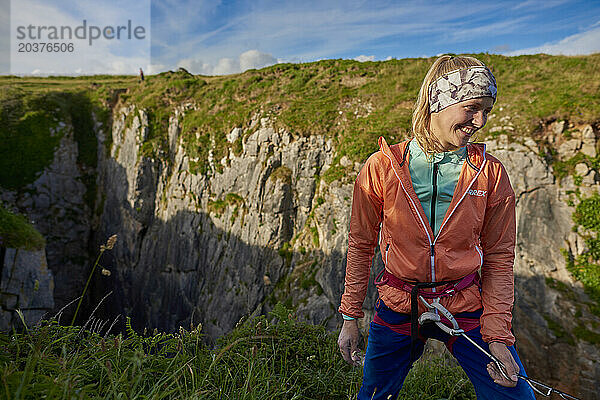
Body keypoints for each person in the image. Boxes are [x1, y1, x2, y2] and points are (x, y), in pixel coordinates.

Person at [337, 55, 536, 400]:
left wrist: (500, 336)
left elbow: (500, 257)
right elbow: (361, 243)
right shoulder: (383, 167)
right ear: (437, 100)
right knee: (374, 396)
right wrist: (350, 316)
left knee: (514, 396)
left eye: (487, 111)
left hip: (463, 301)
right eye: (473, 108)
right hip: (400, 301)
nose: (481, 121)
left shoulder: (490, 174)